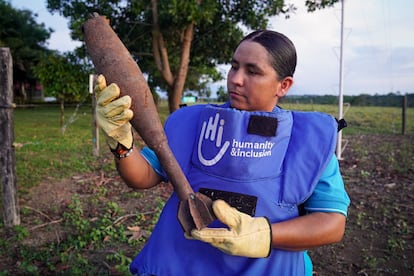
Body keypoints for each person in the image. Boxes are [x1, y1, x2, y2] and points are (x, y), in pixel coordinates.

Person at [95, 30, 350, 275]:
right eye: (234, 66)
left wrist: (266, 234)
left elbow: (332, 222)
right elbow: (144, 176)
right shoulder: (191, 122)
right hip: (183, 264)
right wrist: (122, 144)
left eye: (253, 71)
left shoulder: (308, 141)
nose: (236, 79)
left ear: (283, 86)